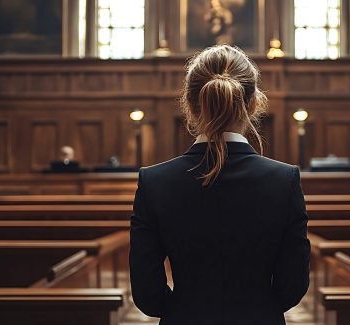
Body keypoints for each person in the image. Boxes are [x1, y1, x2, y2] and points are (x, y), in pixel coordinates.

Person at [130, 45, 310, 325]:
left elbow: (146, 293)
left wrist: (182, 309)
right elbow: (293, 285)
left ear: (190, 105)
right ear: (253, 104)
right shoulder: (284, 181)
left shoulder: (154, 182)